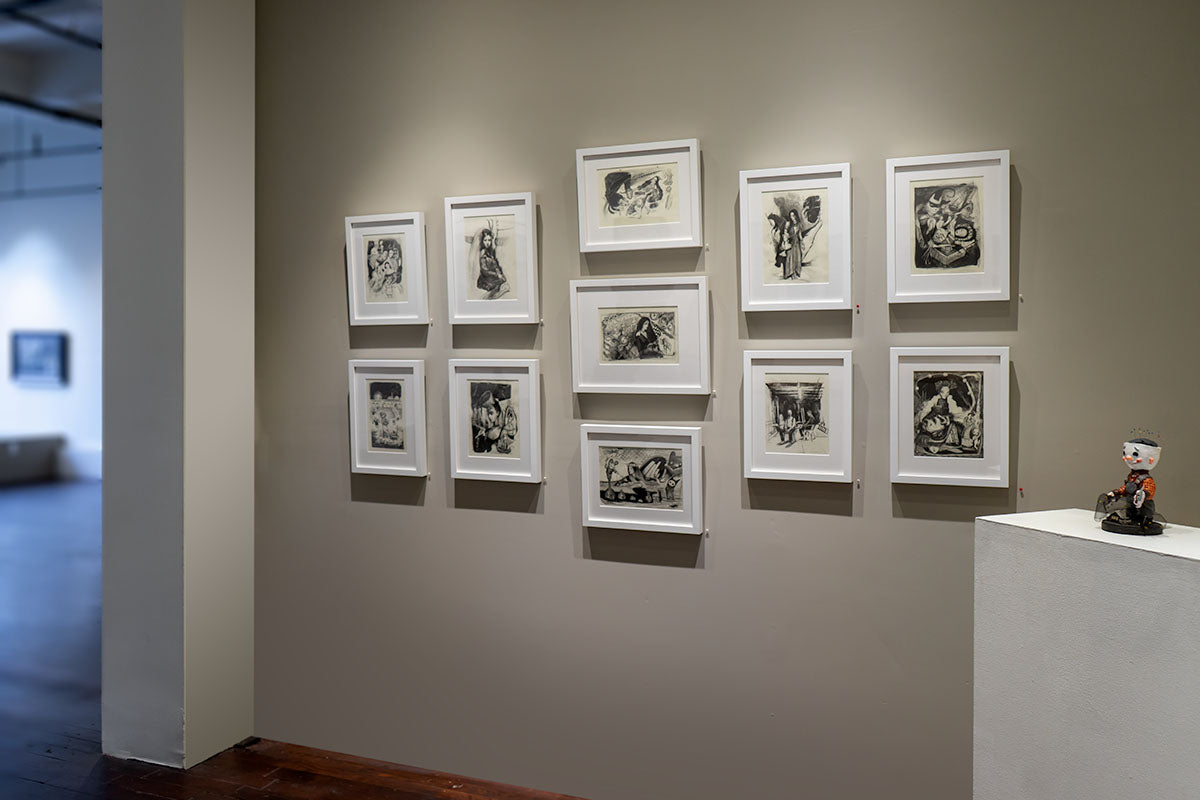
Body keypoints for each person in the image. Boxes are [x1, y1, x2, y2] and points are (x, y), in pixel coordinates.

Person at [468, 221, 509, 299]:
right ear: (482, 241)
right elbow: (484, 270)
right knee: (499, 287)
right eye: (485, 240)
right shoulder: (482, 253)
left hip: (492, 276)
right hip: (485, 279)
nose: (487, 243)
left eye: (489, 240)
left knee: (504, 282)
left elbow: (495, 264)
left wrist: (499, 273)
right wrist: (496, 275)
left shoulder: (489, 251)